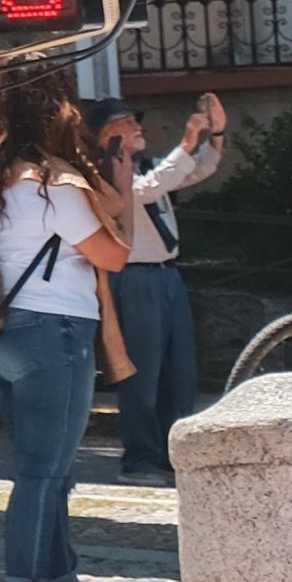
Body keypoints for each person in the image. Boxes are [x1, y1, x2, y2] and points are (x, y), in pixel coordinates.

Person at [0, 78, 127, 582]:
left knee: (48, 472)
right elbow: (115, 255)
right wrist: (120, 184)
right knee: (43, 475)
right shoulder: (53, 186)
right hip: (53, 333)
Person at [91, 94, 224, 484]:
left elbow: (196, 170)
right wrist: (187, 141)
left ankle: (172, 454)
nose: (137, 127)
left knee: (180, 371)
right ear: (106, 133)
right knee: (142, 373)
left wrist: (215, 135)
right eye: (127, 122)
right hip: (135, 279)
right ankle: (139, 460)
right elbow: (145, 191)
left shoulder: (147, 168)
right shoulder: (106, 173)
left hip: (166, 275)